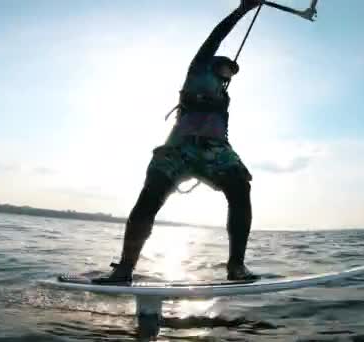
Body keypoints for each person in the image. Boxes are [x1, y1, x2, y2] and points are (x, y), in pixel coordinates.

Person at [93, 0, 263, 284]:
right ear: (214, 64)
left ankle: (236, 266)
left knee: (240, 188)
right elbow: (216, 36)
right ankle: (124, 268)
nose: (230, 73)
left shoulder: (224, 96)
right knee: (149, 198)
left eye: (233, 71)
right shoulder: (198, 68)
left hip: (215, 152)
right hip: (178, 149)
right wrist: (242, 10)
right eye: (226, 67)